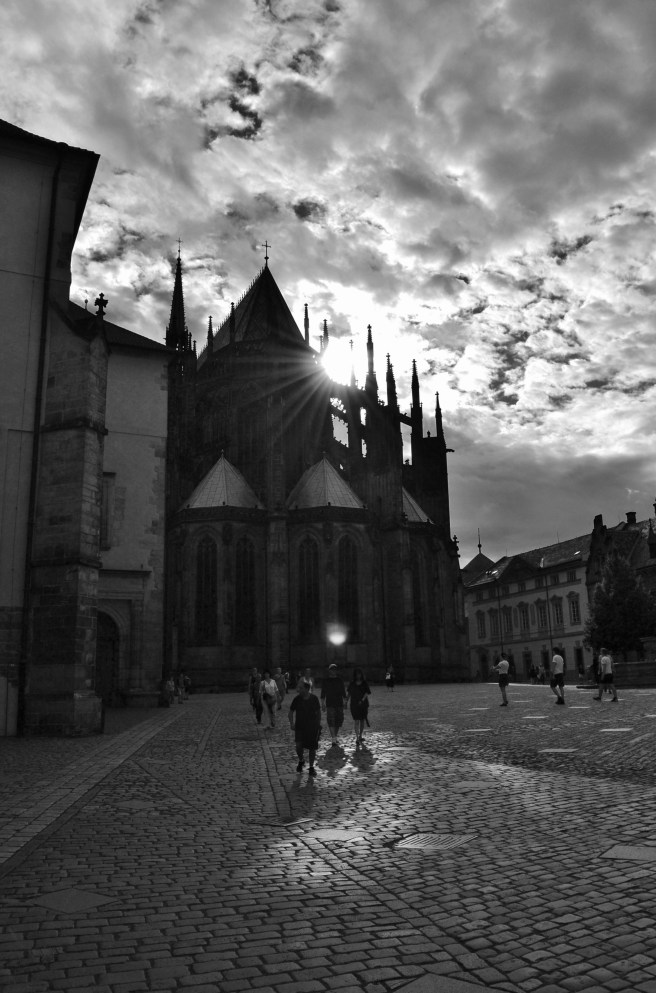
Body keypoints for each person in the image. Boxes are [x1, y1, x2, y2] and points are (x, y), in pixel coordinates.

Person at [289, 679, 322, 775]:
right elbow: (290, 712)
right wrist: (291, 723)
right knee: (298, 746)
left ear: (307, 689)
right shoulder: (297, 699)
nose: (299, 690)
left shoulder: (314, 698)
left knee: (312, 748)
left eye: (301, 688)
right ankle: (301, 760)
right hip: (299, 726)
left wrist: (318, 724)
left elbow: (318, 712)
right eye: (299, 688)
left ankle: (311, 767)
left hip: (312, 727)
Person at [320, 663, 348, 746]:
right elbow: (323, 693)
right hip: (330, 703)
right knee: (331, 720)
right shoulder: (326, 681)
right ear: (329, 670)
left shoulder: (339, 680)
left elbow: (343, 692)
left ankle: (334, 737)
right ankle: (333, 739)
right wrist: (322, 704)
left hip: (339, 703)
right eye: (332, 669)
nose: (333, 671)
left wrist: (345, 702)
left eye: (335, 669)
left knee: (339, 720)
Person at [347, 667, 371, 745]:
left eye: (359, 674)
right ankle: (357, 737)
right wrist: (345, 701)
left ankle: (360, 735)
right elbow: (349, 693)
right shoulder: (352, 683)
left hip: (363, 705)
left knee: (362, 720)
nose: (358, 676)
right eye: (357, 674)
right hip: (354, 704)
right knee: (356, 720)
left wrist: (362, 700)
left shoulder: (364, 683)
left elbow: (367, 692)